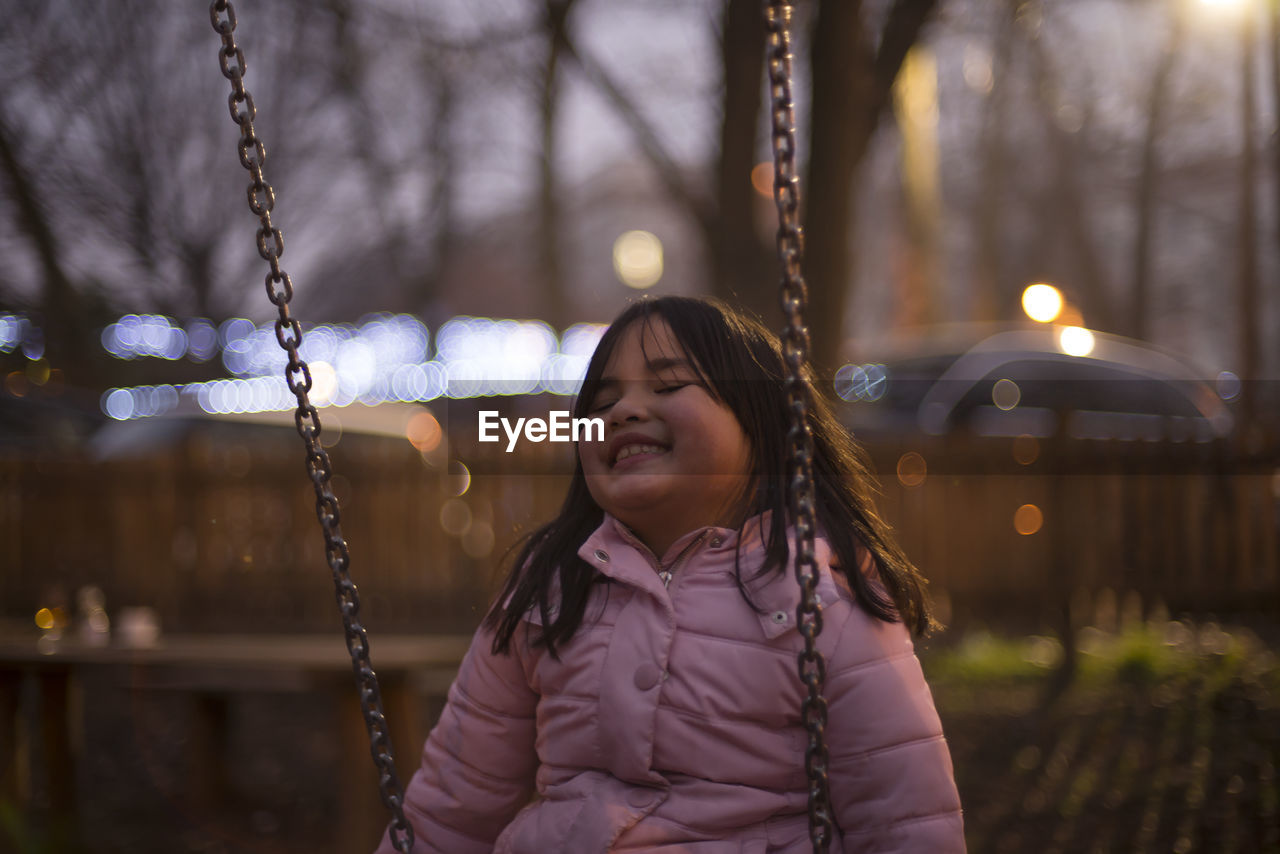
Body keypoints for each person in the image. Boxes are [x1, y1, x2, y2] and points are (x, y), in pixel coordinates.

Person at [375, 296, 964, 853]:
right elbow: (453, 805)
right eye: (602, 403)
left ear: (760, 424)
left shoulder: (818, 592)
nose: (625, 410)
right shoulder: (552, 587)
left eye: (669, 385)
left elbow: (905, 818)